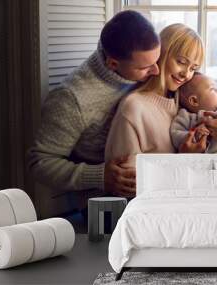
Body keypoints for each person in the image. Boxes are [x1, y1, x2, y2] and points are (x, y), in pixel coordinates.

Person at [27, 10, 161, 213]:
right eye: (146, 67)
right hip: (103, 205)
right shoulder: (71, 99)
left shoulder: (144, 68)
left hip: (154, 182)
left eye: (157, 61)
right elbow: (40, 162)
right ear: (113, 64)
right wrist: (99, 176)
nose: (156, 72)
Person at [104, 23, 217, 168]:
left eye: (193, 68)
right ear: (160, 55)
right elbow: (127, 182)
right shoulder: (133, 108)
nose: (186, 74)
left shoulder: (185, 97)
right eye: (181, 62)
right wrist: (183, 160)